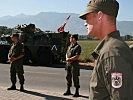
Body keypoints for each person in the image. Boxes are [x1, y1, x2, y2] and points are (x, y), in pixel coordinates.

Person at [79, 0, 133, 99]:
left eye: (87, 18)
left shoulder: (111, 53)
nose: (85, 23)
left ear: (100, 16)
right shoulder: (113, 48)